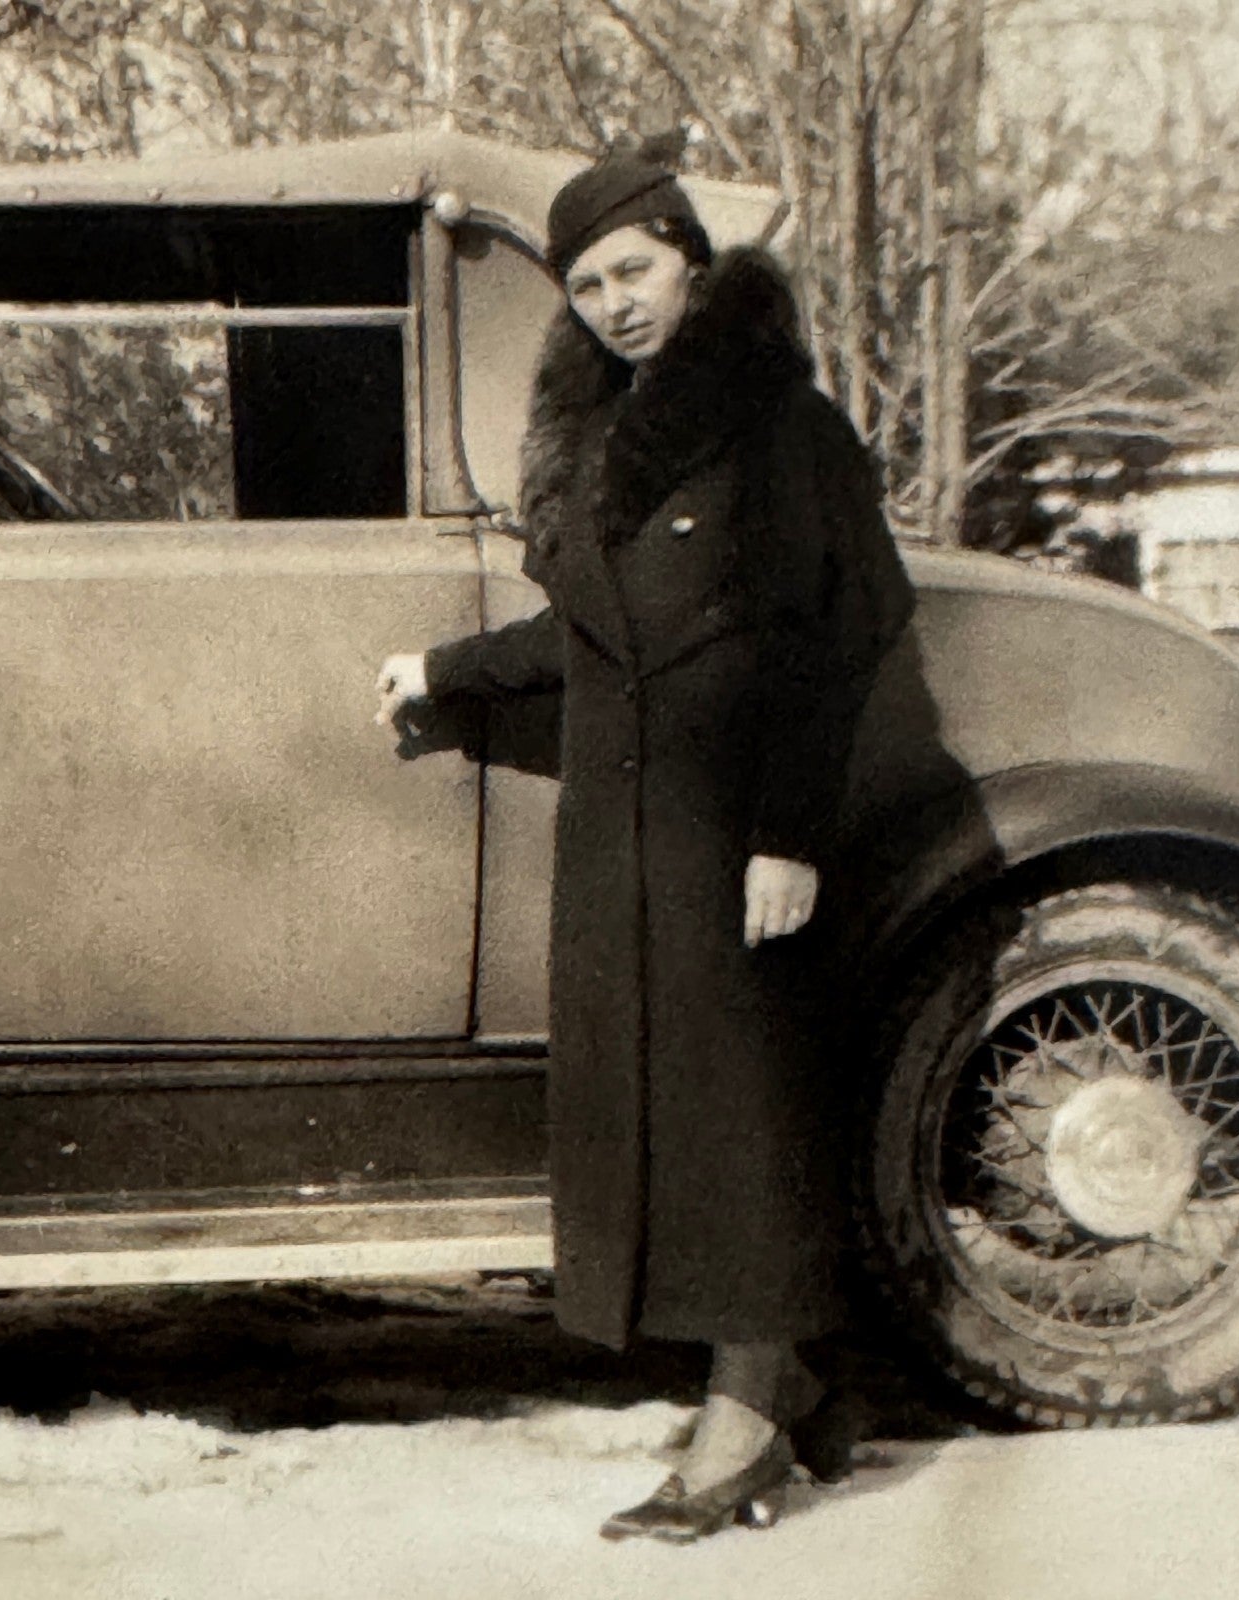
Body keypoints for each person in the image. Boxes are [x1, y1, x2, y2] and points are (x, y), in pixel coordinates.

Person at [376, 140, 915, 1544]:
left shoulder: (781, 430)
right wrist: (448, 667)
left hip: (735, 826)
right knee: (671, 1118)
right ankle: (784, 1379)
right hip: (625, 837)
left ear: (692, 260)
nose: (615, 303)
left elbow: (838, 632)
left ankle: (745, 1427)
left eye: (636, 271)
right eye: (589, 285)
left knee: (739, 1119)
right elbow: (591, 630)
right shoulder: (607, 442)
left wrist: (788, 834)